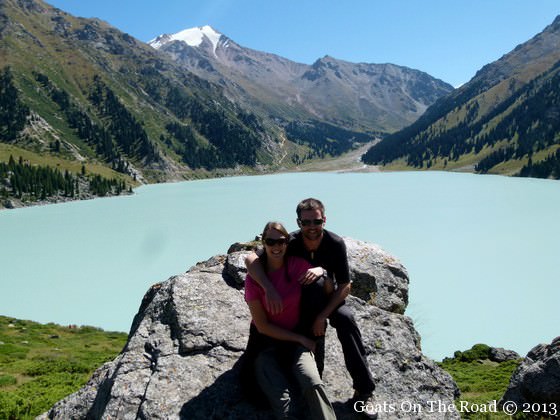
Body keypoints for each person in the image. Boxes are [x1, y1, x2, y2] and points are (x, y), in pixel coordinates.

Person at [245, 198, 378, 419]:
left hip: (329, 297)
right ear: (298, 223)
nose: (312, 227)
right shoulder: (291, 242)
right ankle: (313, 376)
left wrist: (323, 313)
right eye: (306, 223)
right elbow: (251, 259)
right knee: (308, 326)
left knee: (346, 319)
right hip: (304, 303)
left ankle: (364, 391)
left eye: (316, 221)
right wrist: (269, 288)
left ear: (324, 220)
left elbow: (345, 286)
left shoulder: (335, 243)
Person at [242, 221, 336, 420]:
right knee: (284, 403)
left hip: (294, 345)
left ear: (287, 243)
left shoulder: (297, 266)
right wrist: (301, 339)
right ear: (263, 244)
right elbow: (262, 326)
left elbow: (327, 291)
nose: (276, 246)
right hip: (266, 346)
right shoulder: (254, 280)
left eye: (281, 241)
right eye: (270, 241)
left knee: (314, 384)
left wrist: (323, 272)